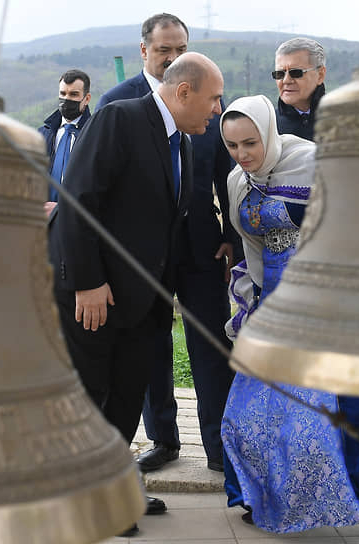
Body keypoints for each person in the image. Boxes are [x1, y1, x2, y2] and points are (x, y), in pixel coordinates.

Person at [55, 52, 224, 536]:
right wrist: (86, 281)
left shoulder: (184, 145)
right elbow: (78, 199)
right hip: (96, 294)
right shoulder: (120, 117)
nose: (217, 109)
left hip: (146, 300)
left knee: (128, 396)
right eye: (213, 99)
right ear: (184, 91)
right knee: (93, 397)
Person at [272, 37, 359, 541]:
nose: (286, 81)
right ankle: (296, 499)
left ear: (320, 73)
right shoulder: (271, 129)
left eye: (295, 72)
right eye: (279, 74)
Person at [219, 94, 359, 534]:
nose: (243, 154)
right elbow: (252, 243)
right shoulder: (238, 181)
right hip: (274, 302)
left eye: (250, 143)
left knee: (347, 412)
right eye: (232, 146)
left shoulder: (314, 163)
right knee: (250, 412)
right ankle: (263, 494)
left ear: (267, 132)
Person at [97, 13, 239, 474]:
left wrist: (231, 238)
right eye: (164, 50)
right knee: (150, 349)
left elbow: (230, 175)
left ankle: (219, 447)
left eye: (180, 48)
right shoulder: (117, 104)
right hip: (142, 257)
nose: (173, 57)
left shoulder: (206, 103)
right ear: (144, 52)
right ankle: (162, 439)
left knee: (211, 347)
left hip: (201, 249)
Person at [38, 69, 92, 330]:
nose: (66, 100)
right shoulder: (45, 133)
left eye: (73, 95)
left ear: (86, 98)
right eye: (62, 94)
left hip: (77, 227)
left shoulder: (94, 136)